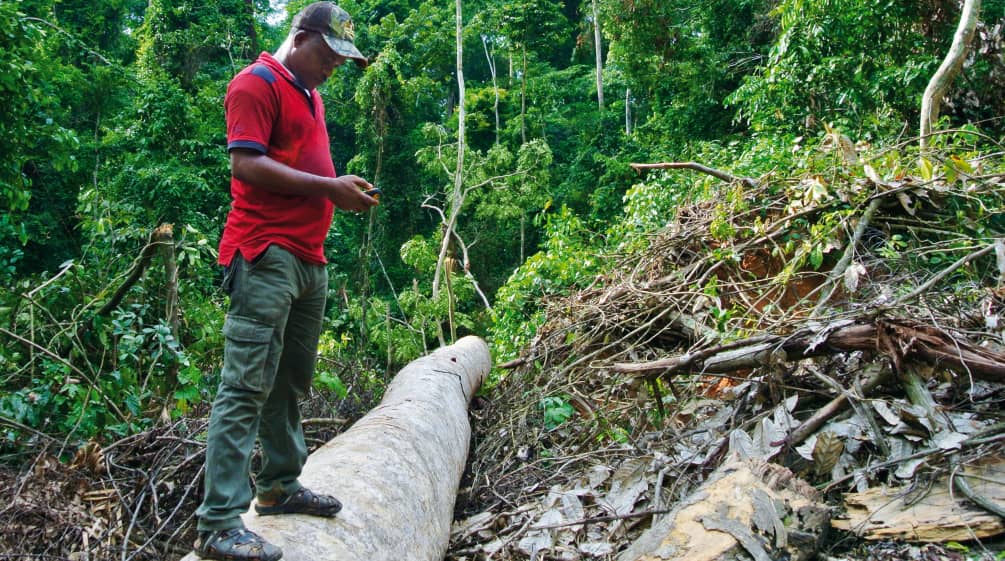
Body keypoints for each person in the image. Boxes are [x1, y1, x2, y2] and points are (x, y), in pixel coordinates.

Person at [194, 3, 377, 560]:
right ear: (300, 37)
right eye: (329, 55)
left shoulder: (310, 93)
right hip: (263, 253)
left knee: (290, 381)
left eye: (342, 60)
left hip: (308, 258)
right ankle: (219, 523)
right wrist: (328, 189)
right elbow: (245, 164)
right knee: (245, 384)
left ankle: (278, 487)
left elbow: (305, 170)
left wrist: (339, 191)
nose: (333, 68)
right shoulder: (255, 84)